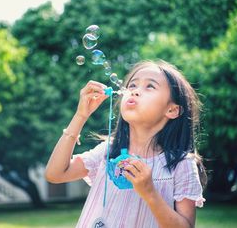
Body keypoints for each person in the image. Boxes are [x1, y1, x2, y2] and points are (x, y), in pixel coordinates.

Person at [45, 60, 206, 228]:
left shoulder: (181, 164)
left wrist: (150, 192)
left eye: (150, 86)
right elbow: (55, 174)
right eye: (132, 85)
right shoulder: (108, 151)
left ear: (172, 110)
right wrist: (81, 115)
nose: (135, 91)